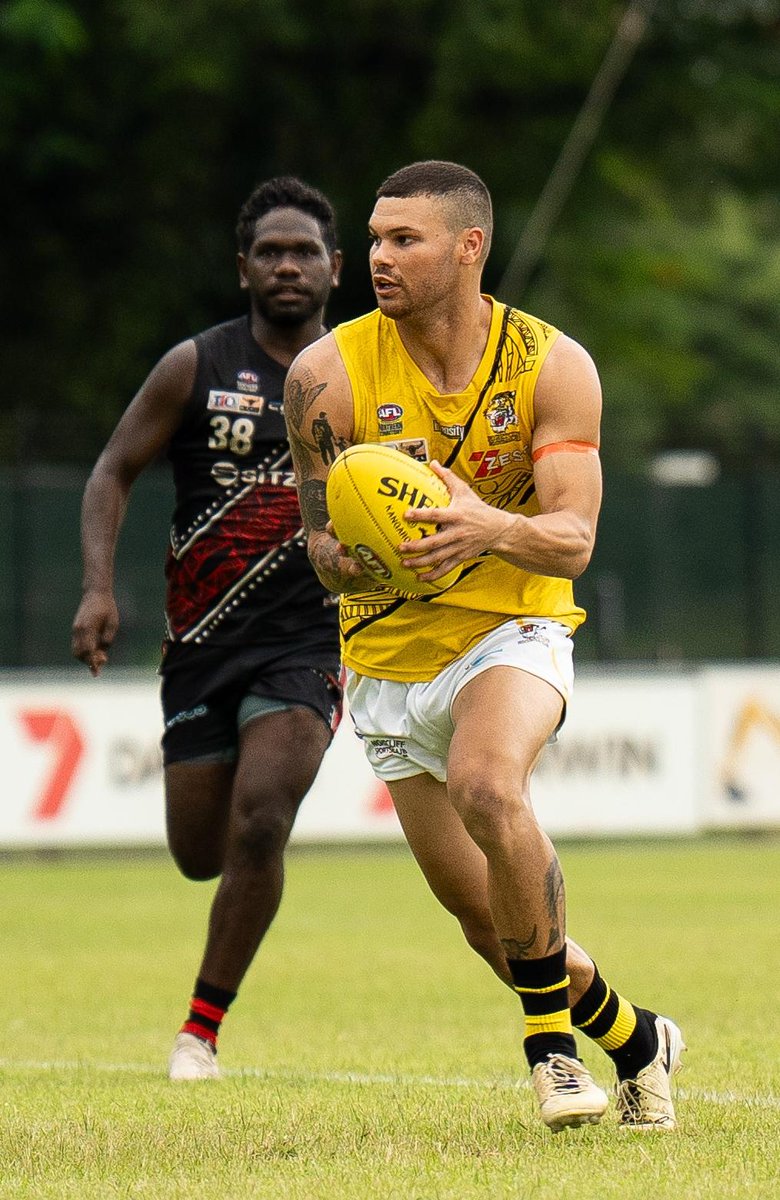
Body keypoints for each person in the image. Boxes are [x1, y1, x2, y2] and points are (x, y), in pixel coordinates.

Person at [284, 160, 685, 1132]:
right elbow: (318, 548)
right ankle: (637, 1040)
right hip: (385, 663)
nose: (377, 257)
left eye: (403, 240)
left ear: (471, 247)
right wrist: (358, 561)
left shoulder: (553, 365)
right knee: (488, 924)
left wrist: (485, 529)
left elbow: (574, 540)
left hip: (516, 629)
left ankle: (550, 1054)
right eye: (374, 240)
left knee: (489, 784)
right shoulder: (322, 377)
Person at [71, 177, 344, 1080]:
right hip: (200, 646)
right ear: (243, 269)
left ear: (336, 270)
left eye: (305, 251)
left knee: (263, 820)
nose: (288, 265)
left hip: (309, 644)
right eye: (271, 251)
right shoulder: (197, 365)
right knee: (200, 854)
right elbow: (112, 471)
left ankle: (200, 1031)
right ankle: (212, 974)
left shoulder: (361, 376)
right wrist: (97, 590)